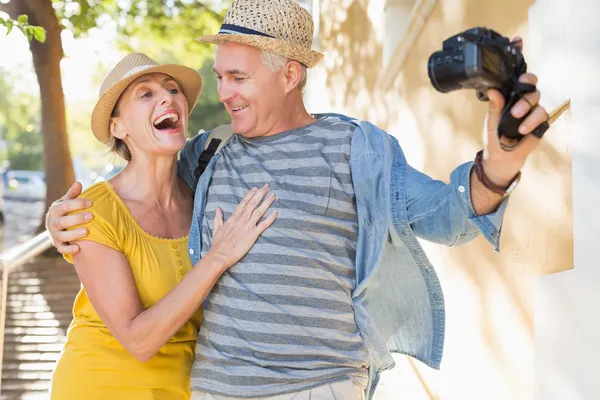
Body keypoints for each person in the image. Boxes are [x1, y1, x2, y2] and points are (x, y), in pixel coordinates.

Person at [46, 0, 552, 399]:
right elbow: (137, 176)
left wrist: (499, 163)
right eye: (220, 77)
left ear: (290, 75)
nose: (223, 94)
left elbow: (449, 219)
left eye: (238, 78)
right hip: (214, 390)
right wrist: (61, 219)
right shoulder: (208, 154)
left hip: (319, 387)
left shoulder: (357, 150)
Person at [48, 53, 277, 400]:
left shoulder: (204, 197)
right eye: (146, 94)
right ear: (118, 127)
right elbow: (138, 340)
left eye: (172, 90)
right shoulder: (92, 212)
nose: (167, 97)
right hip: (99, 386)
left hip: (186, 390)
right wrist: (218, 257)